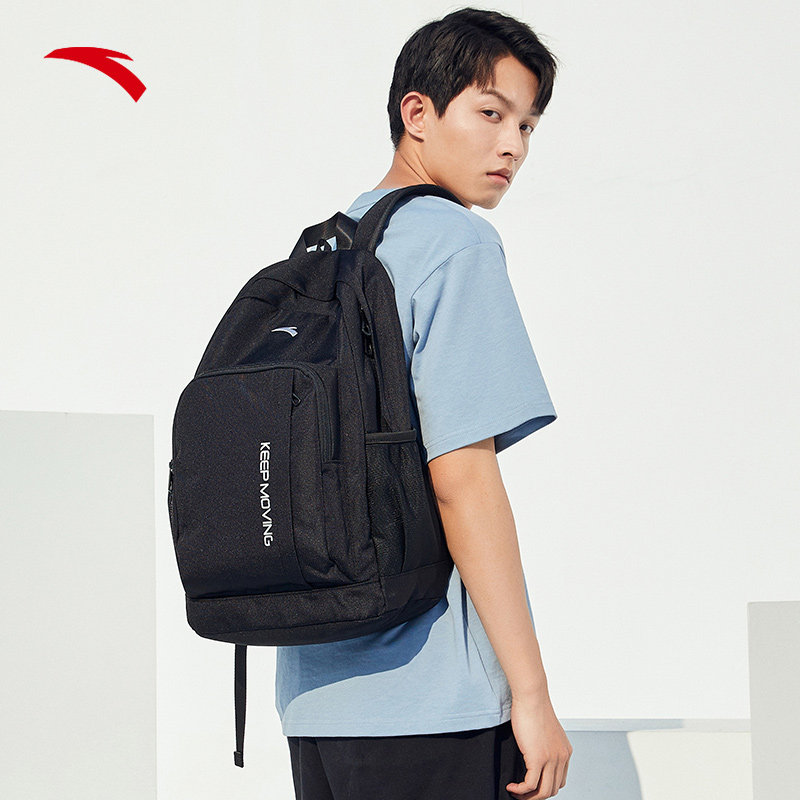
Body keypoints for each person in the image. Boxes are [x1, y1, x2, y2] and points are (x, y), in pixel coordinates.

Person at [276, 7, 572, 798]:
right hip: (433, 700)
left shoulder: (327, 247)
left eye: (528, 125)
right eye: (491, 113)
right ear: (417, 113)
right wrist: (532, 695)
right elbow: (461, 480)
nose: (513, 146)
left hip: (316, 699)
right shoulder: (454, 242)